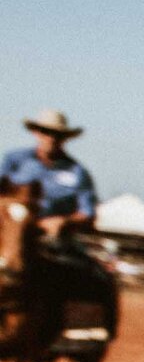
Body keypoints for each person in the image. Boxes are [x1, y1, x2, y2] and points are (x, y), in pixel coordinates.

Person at [3, 108, 120, 334]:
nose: (51, 138)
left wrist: (63, 221)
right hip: (11, 232)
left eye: (57, 134)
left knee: (93, 275)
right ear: (36, 133)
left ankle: (81, 332)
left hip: (55, 240)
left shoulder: (77, 172)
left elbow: (88, 213)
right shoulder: (14, 160)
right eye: (46, 132)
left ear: (65, 139)